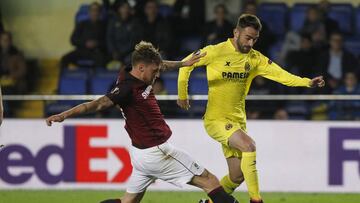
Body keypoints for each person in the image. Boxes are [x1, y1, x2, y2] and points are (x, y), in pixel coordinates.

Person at [46, 41, 240, 203]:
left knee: (128, 201)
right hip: (158, 152)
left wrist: (184, 63)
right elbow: (96, 104)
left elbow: (161, 64)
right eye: (154, 71)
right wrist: (64, 114)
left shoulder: (135, 71)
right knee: (209, 180)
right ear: (141, 68)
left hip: (141, 156)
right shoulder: (125, 88)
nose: (157, 75)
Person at [177, 14, 325, 203]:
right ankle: (256, 200)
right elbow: (185, 66)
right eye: (247, 37)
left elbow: (282, 75)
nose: (250, 43)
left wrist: (307, 83)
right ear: (236, 32)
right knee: (249, 146)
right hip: (216, 119)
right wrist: (182, 94)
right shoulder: (215, 51)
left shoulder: (255, 59)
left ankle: (209, 202)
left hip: (238, 121)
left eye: (254, 39)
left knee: (236, 176)